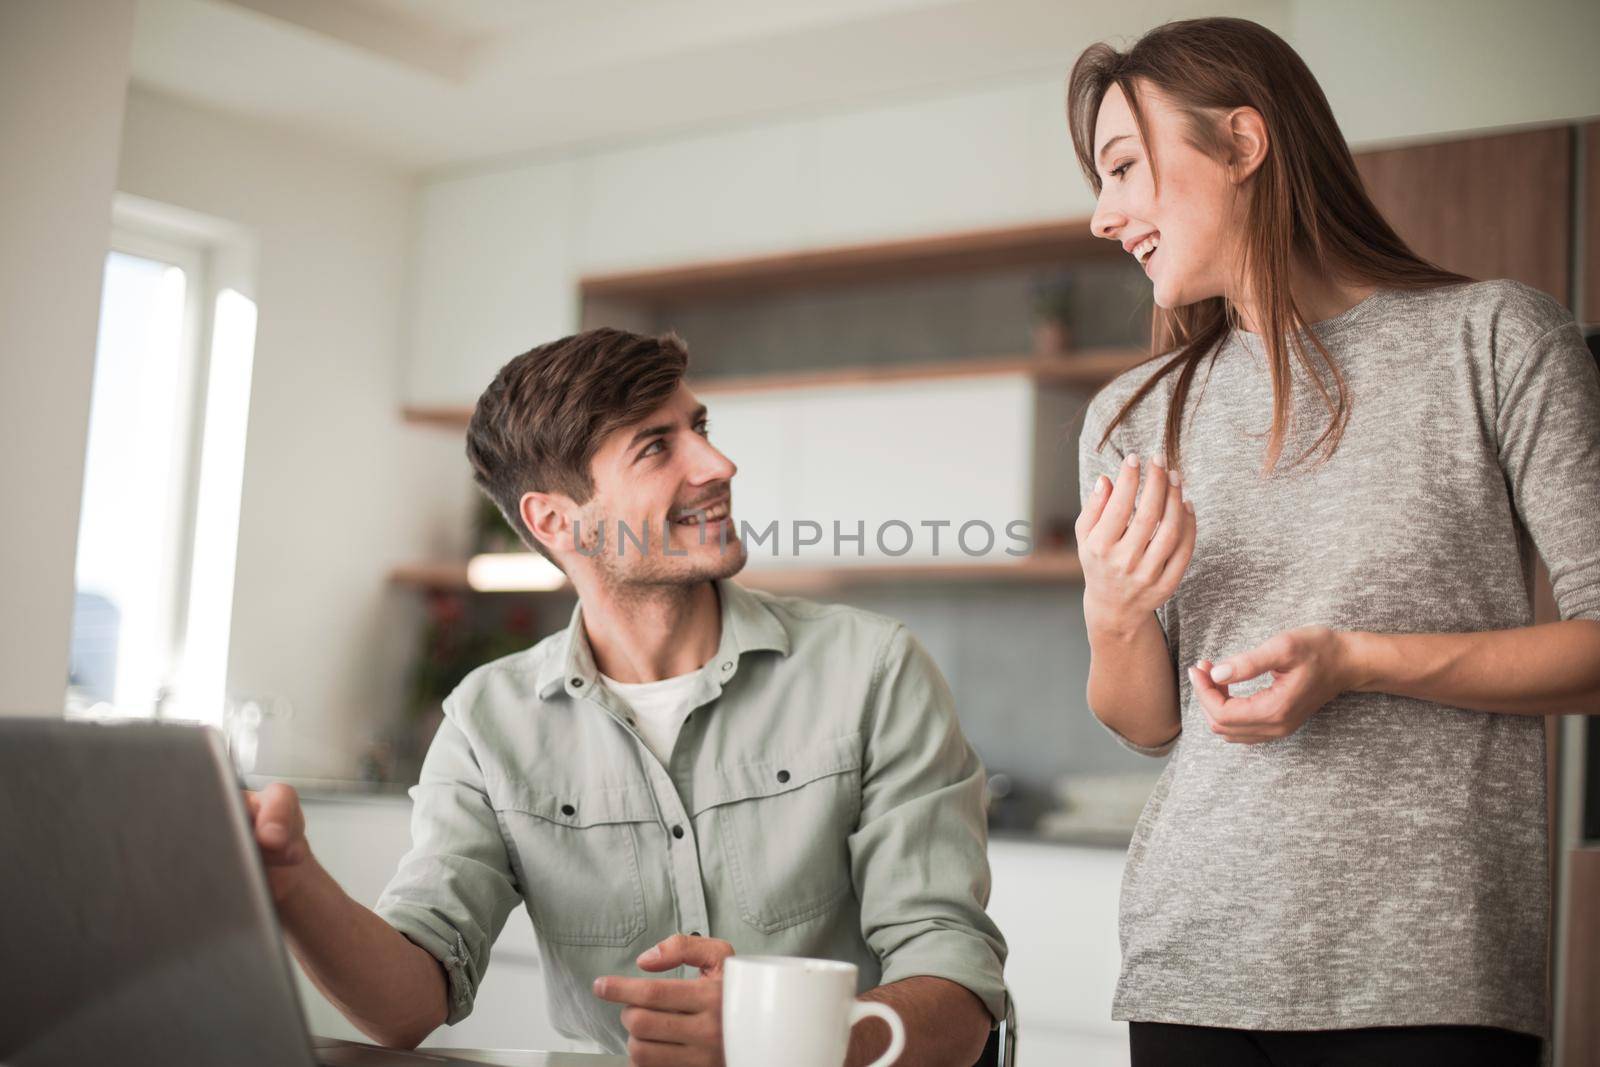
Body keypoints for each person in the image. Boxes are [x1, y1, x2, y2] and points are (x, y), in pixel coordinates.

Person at [244, 327, 1006, 1065]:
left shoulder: (870, 669)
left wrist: (791, 1041)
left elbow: (958, 986)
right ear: (555, 519)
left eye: (698, 426)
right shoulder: (489, 721)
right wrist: (292, 882)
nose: (718, 462)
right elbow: (407, 1002)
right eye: (656, 445)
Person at [1064, 16, 1600, 1067]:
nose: (1100, 213)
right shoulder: (1131, 412)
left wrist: (1356, 660)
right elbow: (1145, 725)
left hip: (1430, 965)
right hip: (1194, 959)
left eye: (1123, 165)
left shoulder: (1492, 340)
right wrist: (1114, 614)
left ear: (1242, 144)